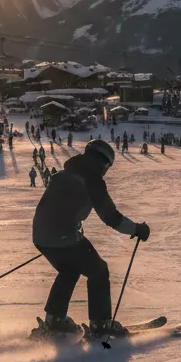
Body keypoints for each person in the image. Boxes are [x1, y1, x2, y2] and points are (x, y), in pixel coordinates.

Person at [32, 139, 150, 339]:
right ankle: (101, 326)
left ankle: (54, 322)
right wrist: (136, 229)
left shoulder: (63, 174)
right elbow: (110, 217)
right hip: (64, 237)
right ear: (103, 163)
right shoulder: (92, 180)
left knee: (69, 270)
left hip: (41, 236)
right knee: (99, 271)